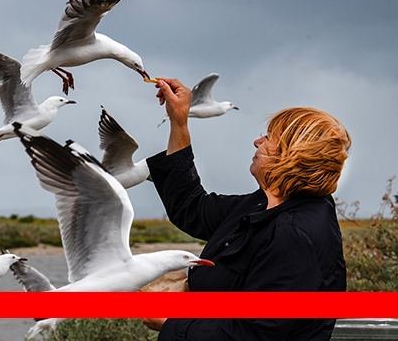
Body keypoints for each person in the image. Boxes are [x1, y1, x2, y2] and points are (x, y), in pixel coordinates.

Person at [142, 78, 351, 340]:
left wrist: (170, 323)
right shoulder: (265, 204)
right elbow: (193, 208)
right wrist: (179, 121)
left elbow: (253, 332)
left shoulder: (294, 235)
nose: (257, 141)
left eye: (269, 137)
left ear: (293, 155)